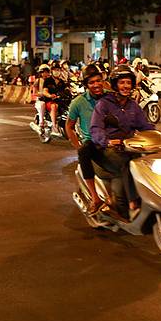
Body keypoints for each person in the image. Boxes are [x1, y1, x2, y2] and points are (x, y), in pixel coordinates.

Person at [91, 65, 155, 220]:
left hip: (130, 148)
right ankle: (132, 202)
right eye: (122, 82)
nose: (126, 86)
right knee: (128, 163)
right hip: (109, 151)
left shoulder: (133, 106)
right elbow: (96, 128)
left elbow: (145, 125)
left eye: (128, 82)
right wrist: (107, 141)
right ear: (115, 85)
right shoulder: (104, 104)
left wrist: (158, 135)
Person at [65, 64, 106, 214]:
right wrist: (78, 146)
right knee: (84, 152)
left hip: (112, 140)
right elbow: (69, 126)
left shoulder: (111, 97)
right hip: (93, 142)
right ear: (86, 85)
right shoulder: (78, 102)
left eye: (98, 81)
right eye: (91, 82)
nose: (96, 85)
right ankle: (95, 198)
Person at [36, 62, 66, 135]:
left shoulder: (62, 82)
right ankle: (54, 126)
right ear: (52, 71)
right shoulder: (47, 80)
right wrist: (50, 95)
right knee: (54, 106)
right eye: (55, 70)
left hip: (60, 101)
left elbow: (66, 90)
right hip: (50, 101)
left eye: (58, 70)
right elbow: (45, 91)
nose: (57, 71)